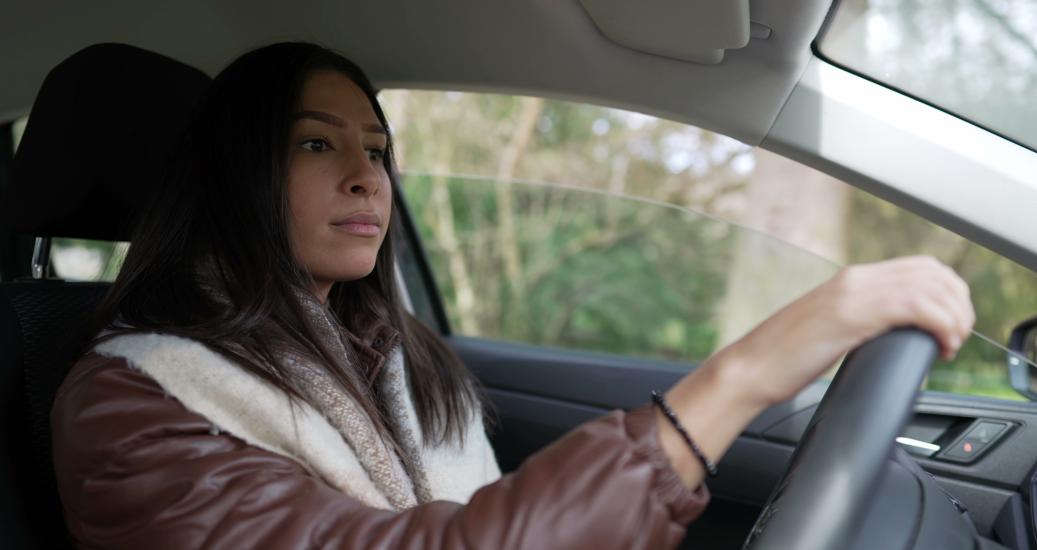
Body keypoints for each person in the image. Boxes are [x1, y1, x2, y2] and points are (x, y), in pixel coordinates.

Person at [50, 42, 975, 549]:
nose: (368, 178)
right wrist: (740, 377)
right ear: (232, 178)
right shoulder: (133, 405)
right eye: (315, 144)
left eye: (376, 150)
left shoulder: (389, 354)